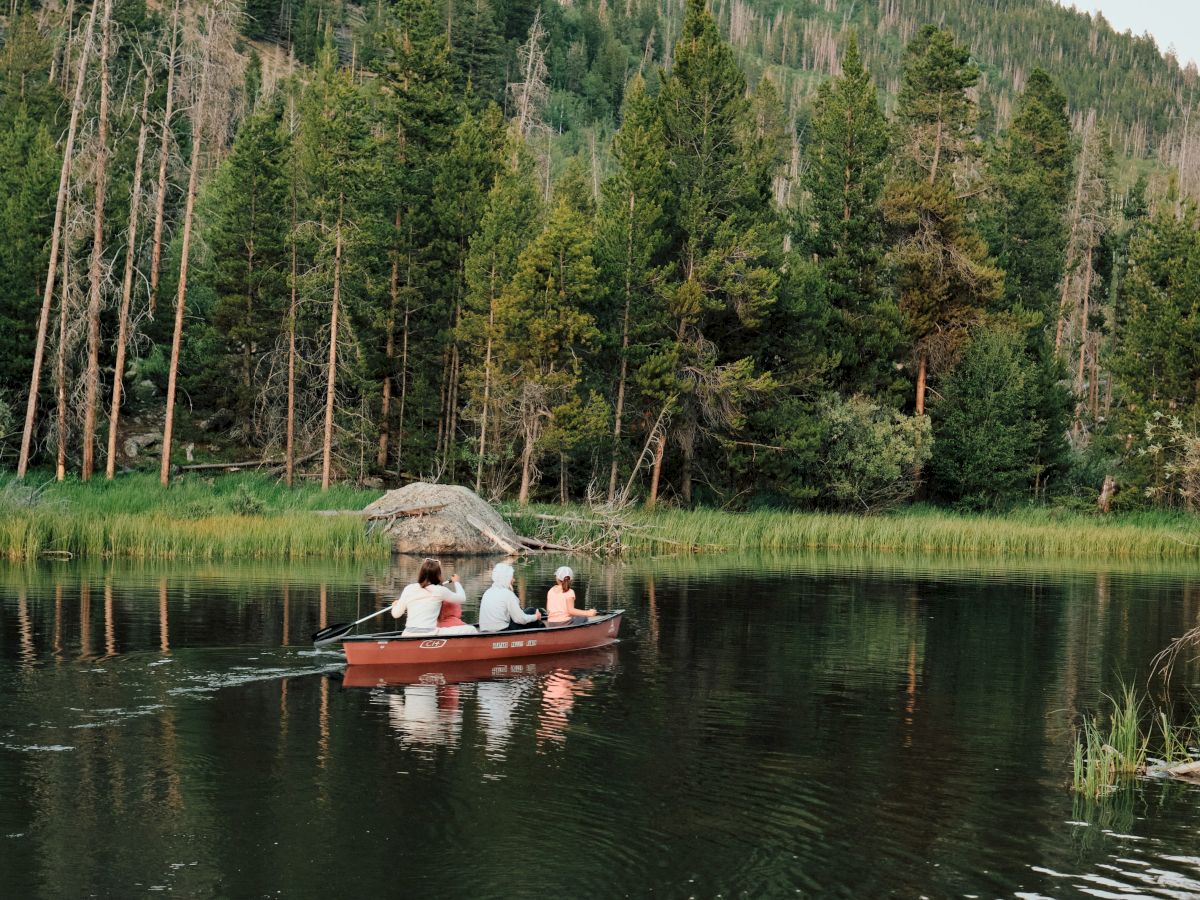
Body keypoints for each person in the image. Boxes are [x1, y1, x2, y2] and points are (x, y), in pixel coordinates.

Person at [391, 558, 477, 636]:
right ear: (438, 575)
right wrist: (456, 582)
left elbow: (395, 614)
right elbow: (462, 598)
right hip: (430, 633)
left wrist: (395, 605)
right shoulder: (440, 590)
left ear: (421, 572)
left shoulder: (409, 588)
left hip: (408, 634)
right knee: (472, 629)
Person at [478, 563, 543, 633]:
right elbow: (520, 619)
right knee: (531, 611)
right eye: (512, 577)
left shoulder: (487, 592)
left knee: (528, 611)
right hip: (501, 631)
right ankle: (541, 635)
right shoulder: (507, 594)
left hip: (484, 630)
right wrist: (536, 617)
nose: (514, 580)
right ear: (506, 578)